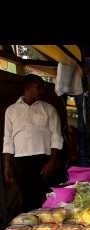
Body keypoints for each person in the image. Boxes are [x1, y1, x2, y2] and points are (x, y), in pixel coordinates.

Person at [3, 74, 63, 212]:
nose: (42, 90)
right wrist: (7, 165)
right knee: (26, 196)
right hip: (20, 160)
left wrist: (52, 161)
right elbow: (8, 139)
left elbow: (57, 136)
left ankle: (49, 226)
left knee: (46, 195)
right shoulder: (11, 110)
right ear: (28, 88)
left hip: (43, 158)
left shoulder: (49, 109)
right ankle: (30, 227)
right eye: (39, 87)